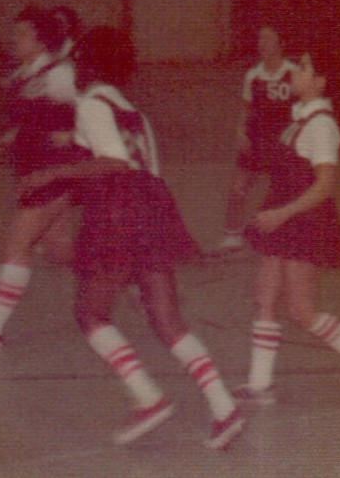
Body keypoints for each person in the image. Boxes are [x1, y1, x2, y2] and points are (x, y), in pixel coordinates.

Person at [19, 27, 244, 450]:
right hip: (152, 209)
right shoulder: (131, 110)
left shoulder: (89, 105)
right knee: (167, 320)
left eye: (78, 60)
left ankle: (148, 397)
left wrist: (52, 172)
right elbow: (144, 166)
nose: (73, 67)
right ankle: (224, 408)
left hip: (118, 210)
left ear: (89, 64)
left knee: (91, 313)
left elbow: (113, 163)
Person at [0, 6, 78, 347]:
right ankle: (126, 269)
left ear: (41, 40)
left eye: (22, 34)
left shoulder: (59, 75)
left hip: (53, 172)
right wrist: (2, 142)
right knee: (58, 250)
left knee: (18, 242)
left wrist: (70, 136)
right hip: (30, 169)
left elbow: (82, 115)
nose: (14, 40)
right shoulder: (24, 75)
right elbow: (31, 122)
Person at [235, 47, 340, 406]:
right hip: (282, 218)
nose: (295, 74)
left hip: (302, 222)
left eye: (303, 68)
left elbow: (325, 185)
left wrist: (282, 214)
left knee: (301, 309)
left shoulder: (322, 126)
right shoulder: (300, 117)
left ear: (320, 82)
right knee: (264, 297)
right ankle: (259, 384)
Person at [212, 25, 296, 255]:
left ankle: (288, 235)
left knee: (289, 189)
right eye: (260, 39)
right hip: (257, 139)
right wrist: (240, 131)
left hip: (284, 141)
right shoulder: (253, 75)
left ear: (280, 43)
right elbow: (246, 109)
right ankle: (232, 235)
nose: (262, 44)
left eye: (268, 39)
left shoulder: (293, 73)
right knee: (238, 188)